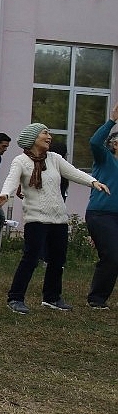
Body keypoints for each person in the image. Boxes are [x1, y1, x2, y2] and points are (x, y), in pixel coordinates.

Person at [0, 123, 109, 314]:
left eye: (49, 133)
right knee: (31, 258)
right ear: (33, 138)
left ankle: (52, 298)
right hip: (36, 219)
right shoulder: (20, 160)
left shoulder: (54, 158)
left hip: (58, 218)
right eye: (45, 133)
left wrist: (94, 182)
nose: (49, 137)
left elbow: (74, 172)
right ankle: (15, 298)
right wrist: (5, 195)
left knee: (57, 259)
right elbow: (11, 180)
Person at [86, 105, 118, 310]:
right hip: (101, 214)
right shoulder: (105, 158)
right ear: (114, 144)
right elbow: (95, 142)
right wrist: (112, 121)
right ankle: (96, 299)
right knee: (112, 255)